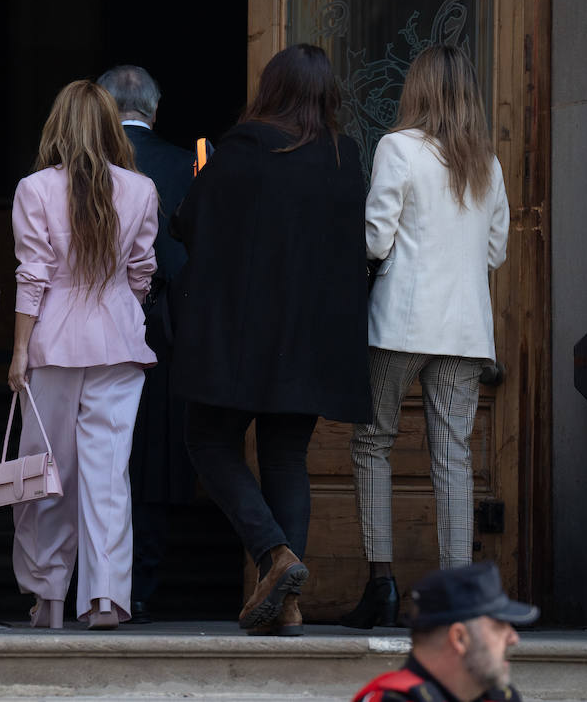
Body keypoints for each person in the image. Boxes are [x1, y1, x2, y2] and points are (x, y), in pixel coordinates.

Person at [169, 43, 370, 636]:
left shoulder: (240, 151)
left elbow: (187, 225)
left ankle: (274, 555)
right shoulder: (345, 157)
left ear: (272, 90)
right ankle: (288, 605)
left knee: (207, 442)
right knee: (286, 457)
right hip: (309, 339)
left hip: (239, 337)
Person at [343, 44, 510, 629]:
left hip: (402, 322)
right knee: (454, 458)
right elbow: (495, 251)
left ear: (416, 88)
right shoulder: (485, 161)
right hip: (466, 328)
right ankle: (459, 594)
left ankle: (381, 584)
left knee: (373, 442)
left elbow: (374, 239)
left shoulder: (397, 147)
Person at [8, 80, 159, 630]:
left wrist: (18, 351)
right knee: (107, 474)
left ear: (59, 126)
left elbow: (33, 276)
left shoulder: (35, 189)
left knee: (49, 472)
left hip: (51, 342)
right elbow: (142, 272)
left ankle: (48, 596)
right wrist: (120, 308)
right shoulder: (141, 190)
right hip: (119, 340)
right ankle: (106, 599)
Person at [96, 64, 197, 622]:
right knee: (155, 457)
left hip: (94, 331)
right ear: (155, 111)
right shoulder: (189, 165)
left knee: (99, 455)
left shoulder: (81, 170)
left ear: (103, 112)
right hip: (170, 329)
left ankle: (94, 582)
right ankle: (141, 582)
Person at [351, 562, 534, 702]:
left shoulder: (500, 697)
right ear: (459, 638)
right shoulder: (394, 699)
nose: (513, 638)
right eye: (498, 626)